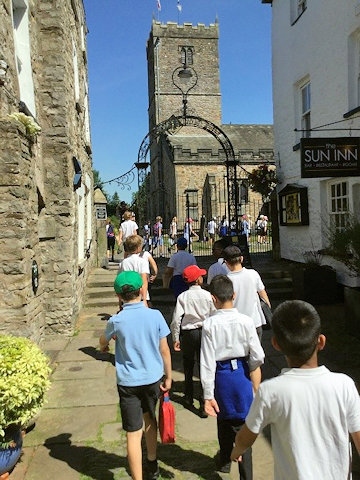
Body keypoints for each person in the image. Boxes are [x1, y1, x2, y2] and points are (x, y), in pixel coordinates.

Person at [230, 300, 360, 480]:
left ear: (275, 343)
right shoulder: (344, 385)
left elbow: (246, 436)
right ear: (321, 341)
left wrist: (237, 449)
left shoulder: (270, 391)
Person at [99, 271, 172, 480]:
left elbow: (103, 342)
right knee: (150, 418)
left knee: (133, 432)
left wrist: (104, 346)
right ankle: (152, 461)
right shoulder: (155, 315)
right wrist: (168, 376)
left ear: (118, 296)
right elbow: (164, 349)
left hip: (128, 382)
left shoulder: (117, 321)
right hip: (152, 378)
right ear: (142, 290)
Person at [200, 275, 265, 477]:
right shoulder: (246, 321)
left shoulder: (209, 325)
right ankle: (246, 473)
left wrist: (207, 394)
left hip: (222, 376)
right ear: (234, 295)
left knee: (223, 419)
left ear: (213, 298)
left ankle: (226, 459)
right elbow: (258, 354)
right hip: (242, 374)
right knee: (244, 424)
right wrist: (251, 368)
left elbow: (207, 361)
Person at [170, 265, 216, 417]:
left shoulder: (182, 297)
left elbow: (176, 320)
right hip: (205, 332)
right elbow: (215, 315)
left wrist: (175, 338)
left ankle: (188, 397)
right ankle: (204, 402)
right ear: (198, 279)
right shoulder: (208, 295)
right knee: (205, 365)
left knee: (188, 365)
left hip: (188, 333)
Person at [223, 246, 270, 340]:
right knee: (256, 353)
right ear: (241, 258)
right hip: (255, 321)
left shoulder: (226, 280)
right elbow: (262, 293)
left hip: (236, 324)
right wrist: (268, 307)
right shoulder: (253, 274)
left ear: (226, 262)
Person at [119, 235, 149, 308]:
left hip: (127, 294)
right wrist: (144, 299)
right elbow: (144, 280)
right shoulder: (142, 262)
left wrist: (120, 301)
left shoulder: (123, 262)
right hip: (140, 293)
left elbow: (121, 281)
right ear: (138, 248)